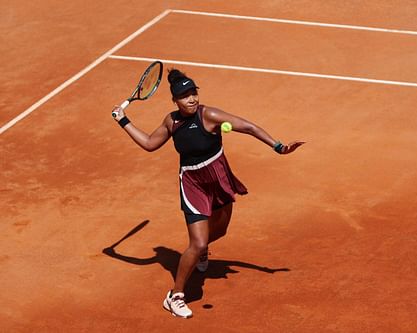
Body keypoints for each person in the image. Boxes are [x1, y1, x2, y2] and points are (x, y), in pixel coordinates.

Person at [111, 68, 305, 319]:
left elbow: (247, 127)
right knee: (199, 241)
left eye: (193, 93)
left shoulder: (209, 115)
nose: (191, 99)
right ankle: (175, 296)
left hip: (219, 176)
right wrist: (123, 120)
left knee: (220, 230)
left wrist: (278, 146)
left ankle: (200, 252)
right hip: (193, 183)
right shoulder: (171, 122)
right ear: (175, 101)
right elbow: (149, 143)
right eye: (185, 96)